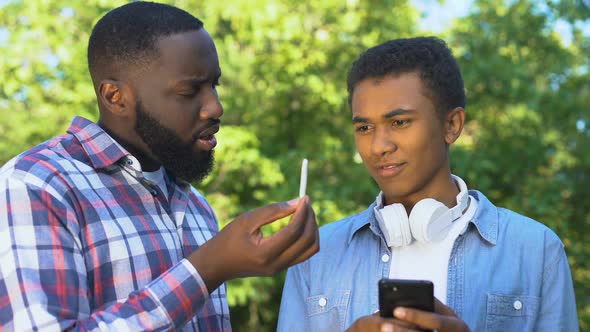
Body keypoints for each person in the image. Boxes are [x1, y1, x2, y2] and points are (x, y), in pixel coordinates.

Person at [0, 2, 319, 331]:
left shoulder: (194, 205)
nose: (215, 107)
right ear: (115, 97)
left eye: (214, 86)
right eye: (189, 91)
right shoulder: (37, 186)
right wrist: (207, 269)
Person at [278, 37, 578, 331]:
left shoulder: (536, 250)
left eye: (399, 122)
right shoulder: (314, 255)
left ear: (451, 125)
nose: (378, 146)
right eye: (364, 127)